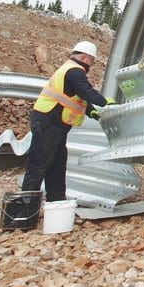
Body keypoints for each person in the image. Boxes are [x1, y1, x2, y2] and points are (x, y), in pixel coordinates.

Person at [22, 40, 110, 202]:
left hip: (53, 124)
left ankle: (56, 201)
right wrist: (105, 103)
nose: (92, 64)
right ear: (84, 57)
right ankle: (26, 208)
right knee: (39, 163)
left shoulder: (69, 70)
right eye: (92, 60)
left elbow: (76, 97)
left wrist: (92, 112)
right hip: (49, 121)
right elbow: (86, 92)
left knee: (57, 163)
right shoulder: (75, 71)